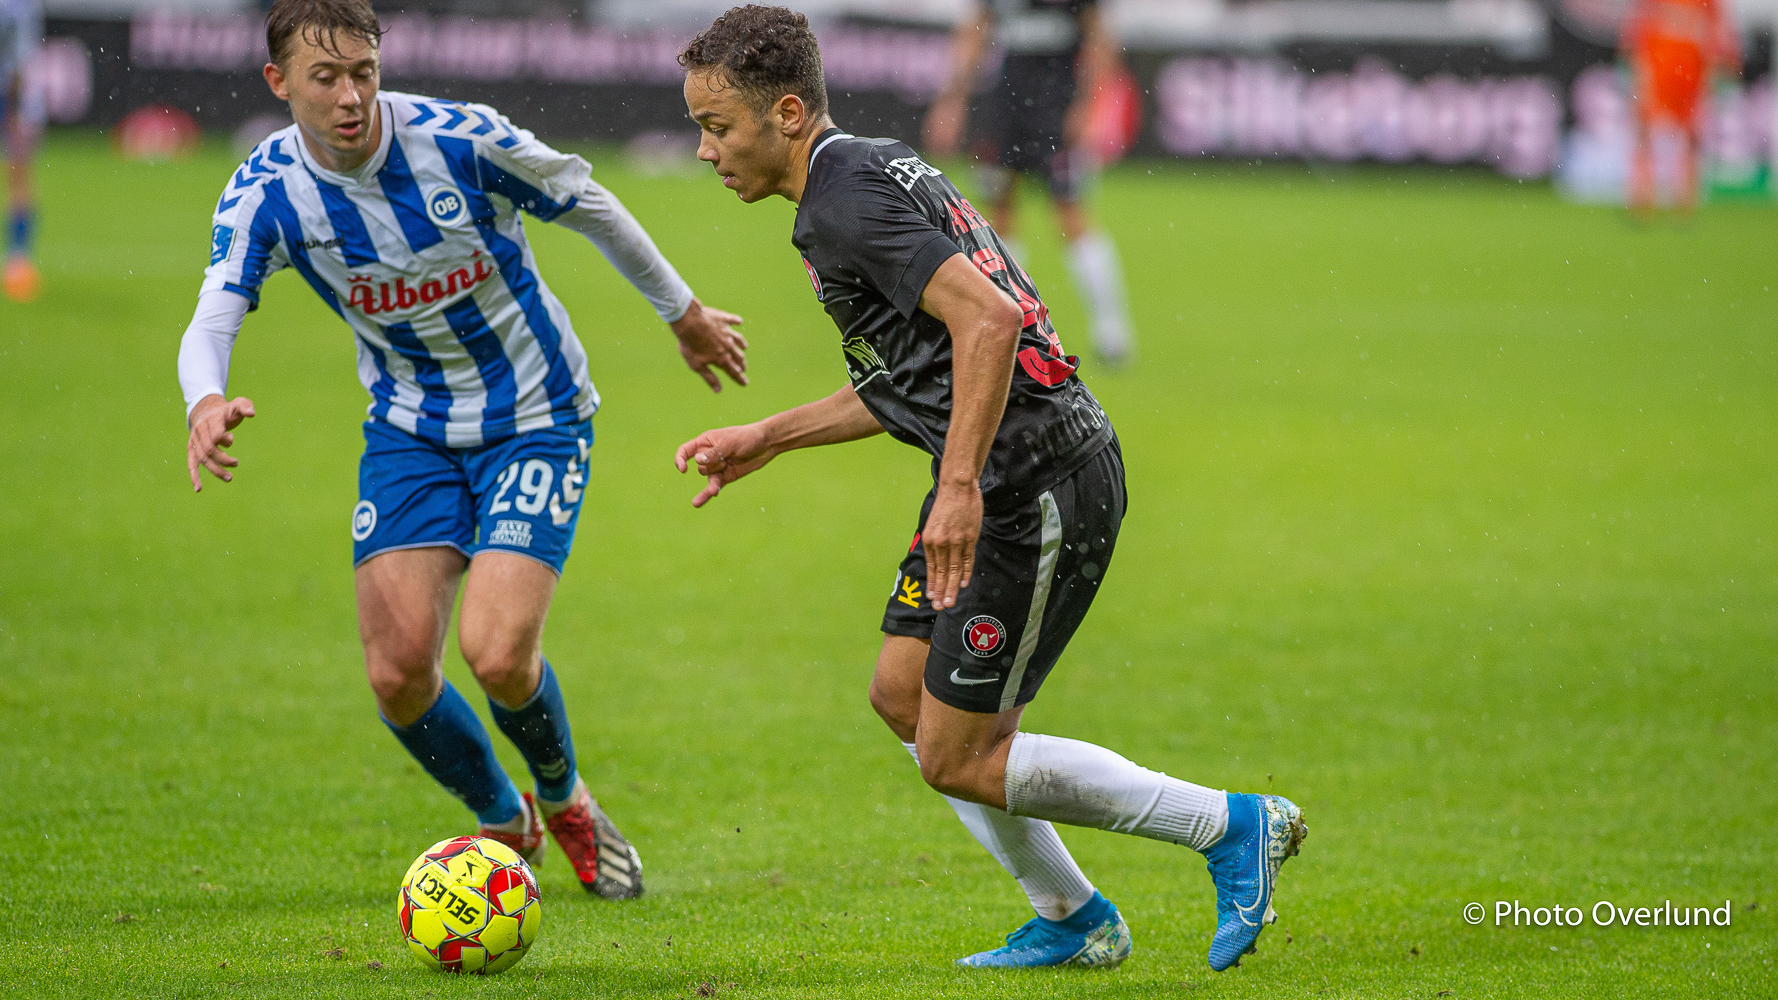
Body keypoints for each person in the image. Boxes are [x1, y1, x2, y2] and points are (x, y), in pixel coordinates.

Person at [674, 5, 1305, 971]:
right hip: (999, 474)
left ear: (788, 113)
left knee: (956, 754)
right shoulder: (866, 167)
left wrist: (960, 486)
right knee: (902, 696)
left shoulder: (845, 202)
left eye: (717, 126)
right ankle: (1072, 917)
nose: (705, 150)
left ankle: (1228, 827)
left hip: (1035, 482)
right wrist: (771, 436)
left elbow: (991, 323)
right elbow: (918, 373)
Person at [180, 0, 749, 899]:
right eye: (325, 78)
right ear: (278, 82)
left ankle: (564, 799)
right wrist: (204, 399)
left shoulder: (460, 142)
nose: (350, 96)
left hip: (536, 415)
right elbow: (213, 316)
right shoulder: (266, 193)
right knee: (398, 672)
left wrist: (681, 313)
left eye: (364, 72)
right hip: (409, 431)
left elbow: (591, 204)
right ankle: (503, 815)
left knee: (496, 653)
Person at [923, 0, 1134, 366]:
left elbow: (1100, 42)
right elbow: (974, 35)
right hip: (1006, 112)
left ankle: (1111, 329)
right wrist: (952, 101)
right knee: (998, 219)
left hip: (1059, 109)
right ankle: (1011, 324)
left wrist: (1090, 107)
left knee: (1070, 215)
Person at [1622, 0, 1741, 213]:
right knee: (1646, 128)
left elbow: (1719, 33)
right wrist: (1639, 65)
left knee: (1692, 133)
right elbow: (1639, 28)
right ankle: (1643, 190)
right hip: (1659, 65)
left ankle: (1684, 192)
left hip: (1692, 70)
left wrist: (1717, 66)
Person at [0, 0, 41, 301]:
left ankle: (18, 258)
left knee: (19, 173)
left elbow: (21, 61)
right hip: (13, 95)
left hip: (11, 96)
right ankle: (18, 260)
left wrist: (15, 108)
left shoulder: (20, 6)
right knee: (19, 176)